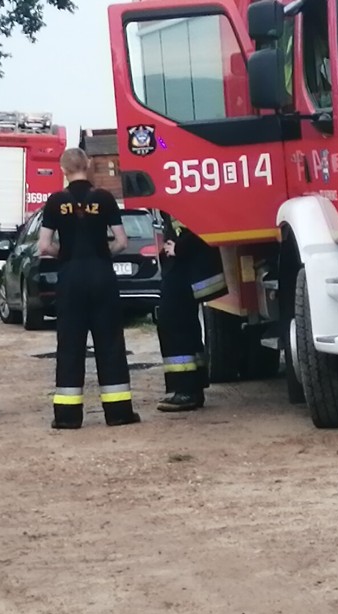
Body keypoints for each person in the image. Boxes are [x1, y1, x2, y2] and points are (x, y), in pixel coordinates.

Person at [37, 148, 140, 429]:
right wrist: (102, 252)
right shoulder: (104, 198)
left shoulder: (56, 201)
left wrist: (65, 254)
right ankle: (119, 412)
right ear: (88, 165)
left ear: (63, 169)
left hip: (70, 277)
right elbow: (121, 241)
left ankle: (67, 416)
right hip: (101, 275)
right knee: (110, 342)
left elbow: (44, 245)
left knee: (70, 344)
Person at [155, 212, 228, 412]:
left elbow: (202, 222)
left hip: (184, 264)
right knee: (184, 324)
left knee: (173, 323)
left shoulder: (178, 188)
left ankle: (185, 390)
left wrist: (179, 247)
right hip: (185, 264)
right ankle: (193, 387)